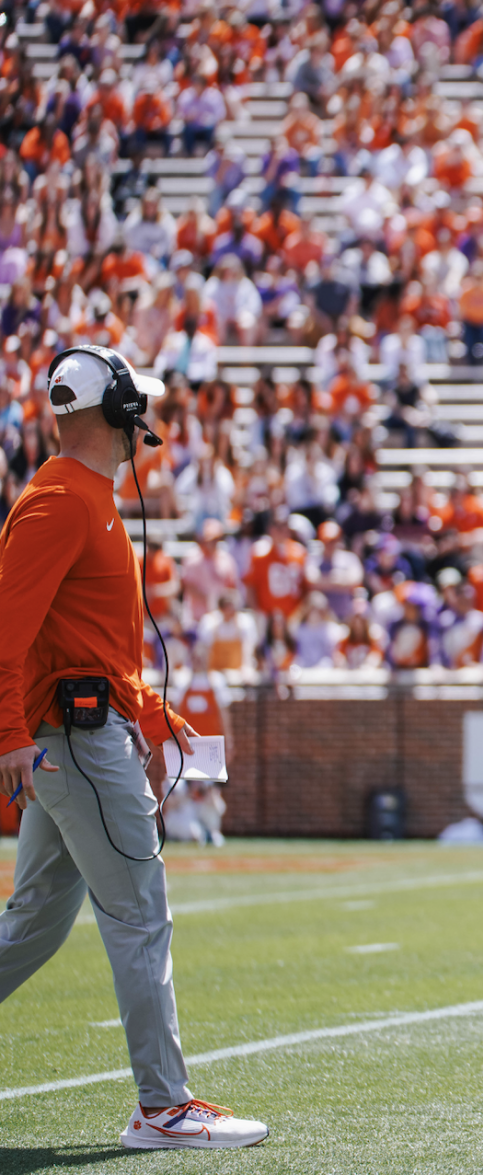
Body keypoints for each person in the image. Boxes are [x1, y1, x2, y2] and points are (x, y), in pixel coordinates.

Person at [0, 348, 266, 1148]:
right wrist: (10, 733)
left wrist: (150, 711)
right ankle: (163, 1106)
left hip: (84, 731)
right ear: (112, 409)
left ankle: (165, 1102)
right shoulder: (60, 501)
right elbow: (8, 630)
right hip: (74, 743)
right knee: (140, 913)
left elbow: (93, 646)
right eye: (134, 403)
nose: (143, 418)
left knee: (37, 921)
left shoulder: (88, 498)